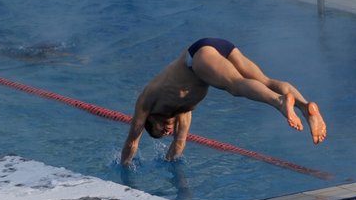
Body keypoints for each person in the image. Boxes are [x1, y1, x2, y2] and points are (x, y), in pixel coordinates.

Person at [121, 38, 326, 165]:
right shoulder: (183, 113)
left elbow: (132, 141)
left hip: (198, 56)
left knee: (236, 86)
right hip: (219, 46)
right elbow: (179, 142)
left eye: (158, 130)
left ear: (151, 119)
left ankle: (280, 103)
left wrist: (124, 168)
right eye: (164, 133)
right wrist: (169, 162)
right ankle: (306, 108)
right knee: (265, 81)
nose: (165, 132)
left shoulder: (147, 100)